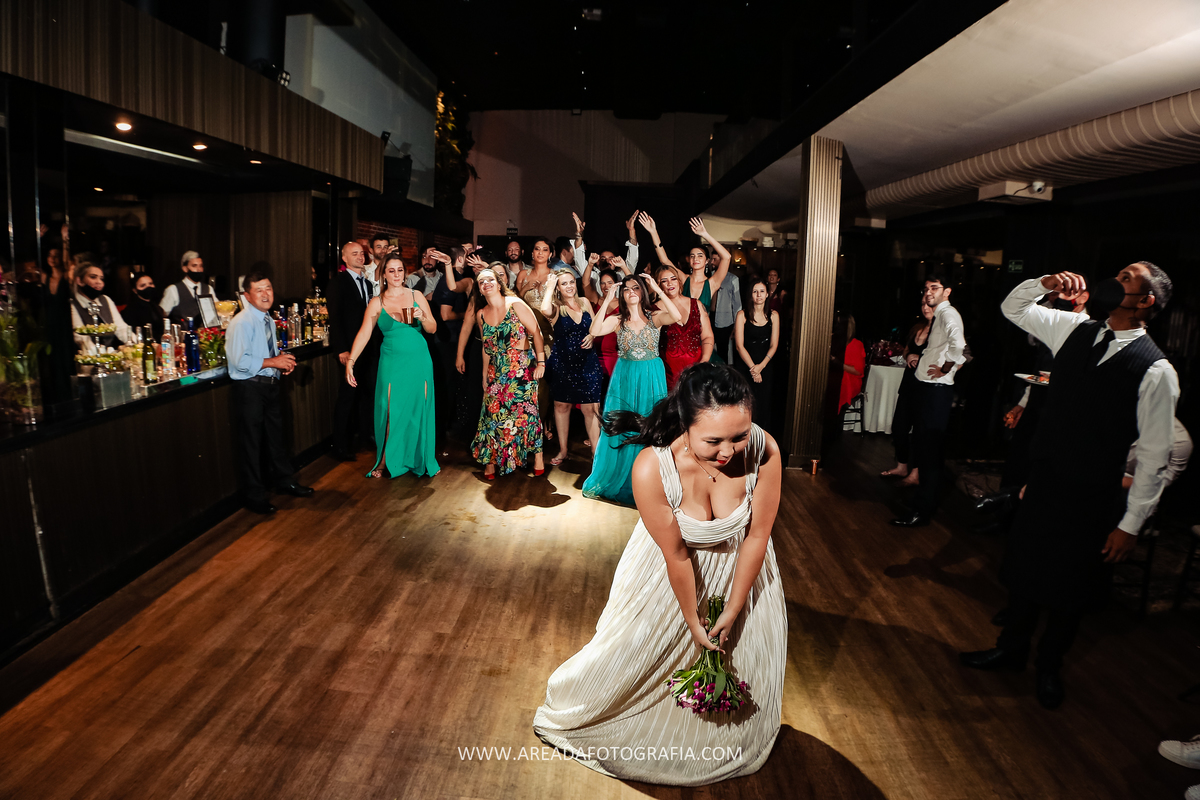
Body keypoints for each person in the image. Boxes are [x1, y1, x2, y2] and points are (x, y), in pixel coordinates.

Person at [534, 362, 786, 785]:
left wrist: (736, 604)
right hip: (670, 576)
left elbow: (758, 536)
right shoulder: (653, 468)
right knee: (631, 662)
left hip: (744, 571)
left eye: (739, 436)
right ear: (685, 426)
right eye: (713, 441)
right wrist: (693, 618)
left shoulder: (765, 451)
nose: (728, 452)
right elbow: (676, 554)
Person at [959, 262, 1179, 710]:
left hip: (1093, 494)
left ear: (1146, 301)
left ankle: (1049, 668)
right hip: (1045, 482)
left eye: (1126, 279)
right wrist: (1044, 284)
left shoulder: (1157, 370)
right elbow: (1013, 308)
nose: (1113, 282)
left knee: (1069, 588)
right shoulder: (1074, 328)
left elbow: (1155, 457)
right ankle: (1011, 648)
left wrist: (1131, 523)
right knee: (1025, 570)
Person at [582, 274, 682, 505]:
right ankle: (623, 475)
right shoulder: (617, 320)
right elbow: (595, 330)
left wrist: (657, 286)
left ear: (643, 291)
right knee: (624, 426)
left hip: (651, 376)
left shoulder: (654, 317)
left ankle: (650, 479)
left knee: (651, 423)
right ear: (622, 295)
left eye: (636, 288)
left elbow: (677, 316)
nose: (631, 292)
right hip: (625, 376)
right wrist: (607, 300)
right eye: (626, 289)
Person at [224, 272, 314, 514]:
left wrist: (282, 363)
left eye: (269, 289)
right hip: (250, 388)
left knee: (277, 439)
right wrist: (274, 362)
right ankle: (254, 497)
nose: (266, 294)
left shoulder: (268, 320)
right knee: (252, 444)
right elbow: (239, 362)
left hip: (270, 386)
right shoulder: (241, 322)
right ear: (247, 296)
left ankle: (285, 482)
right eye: (259, 290)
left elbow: (268, 355)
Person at [346, 252, 439, 479]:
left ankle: (421, 458)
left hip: (418, 360)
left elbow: (433, 329)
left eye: (400, 270)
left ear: (404, 273)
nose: (396, 274)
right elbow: (364, 333)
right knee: (390, 411)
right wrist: (351, 361)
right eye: (391, 270)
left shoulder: (417, 295)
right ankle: (385, 460)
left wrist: (423, 317)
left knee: (418, 409)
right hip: (392, 361)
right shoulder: (377, 302)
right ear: (384, 275)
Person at [891, 274, 967, 527]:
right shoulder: (940, 316)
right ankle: (920, 505)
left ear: (947, 291)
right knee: (924, 451)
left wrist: (946, 368)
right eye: (926, 289)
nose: (928, 293)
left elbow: (959, 346)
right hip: (928, 388)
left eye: (934, 288)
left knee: (930, 454)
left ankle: (922, 512)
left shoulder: (947, 314)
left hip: (936, 390)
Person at [471, 269, 547, 478]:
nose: (486, 283)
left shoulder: (515, 304)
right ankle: (491, 460)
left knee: (526, 414)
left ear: (498, 283)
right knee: (492, 416)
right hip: (497, 370)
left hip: (521, 367)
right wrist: (484, 376)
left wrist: (541, 362)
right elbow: (486, 348)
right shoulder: (481, 314)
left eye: (490, 280)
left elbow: (536, 333)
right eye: (481, 282)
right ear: (479, 289)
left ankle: (538, 456)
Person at [540, 270, 604, 465]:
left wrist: (593, 336)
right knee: (561, 406)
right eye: (563, 284)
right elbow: (544, 309)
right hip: (563, 364)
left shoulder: (584, 302)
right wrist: (549, 287)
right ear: (558, 288)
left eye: (570, 282)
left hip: (588, 363)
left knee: (590, 409)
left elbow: (596, 326)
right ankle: (563, 450)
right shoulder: (557, 307)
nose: (569, 286)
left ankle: (595, 451)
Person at [329, 241, 381, 461]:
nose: (360, 257)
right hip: (350, 350)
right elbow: (335, 318)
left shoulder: (368, 285)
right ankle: (340, 445)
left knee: (367, 395)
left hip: (368, 349)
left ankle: (364, 436)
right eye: (355, 254)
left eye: (362, 254)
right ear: (344, 258)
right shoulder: (338, 283)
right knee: (347, 397)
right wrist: (342, 349)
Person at [640, 213, 732, 321]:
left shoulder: (712, 284)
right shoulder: (684, 279)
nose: (695, 258)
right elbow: (664, 260)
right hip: (680, 328)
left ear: (707, 260)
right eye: (692, 256)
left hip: (701, 332)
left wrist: (705, 234)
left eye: (700, 255)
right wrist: (653, 232)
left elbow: (727, 257)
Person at [882, 300, 934, 484]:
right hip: (908, 383)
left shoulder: (940, 331)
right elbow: (906, 350)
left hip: (925, 386)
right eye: (923, 305)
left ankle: (916, 472)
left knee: (920, 431)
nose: (926, 308)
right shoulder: (916, 329)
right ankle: (902, 465)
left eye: (930, 305)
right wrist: (908, 355)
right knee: (899, 426)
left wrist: (921, 357)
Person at [515, 237, 558, 436]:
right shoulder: (524, 274)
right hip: (525, 336)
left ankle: (540, 427)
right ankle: (526, 427)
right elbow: (514, 302)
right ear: (532, 253)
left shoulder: (555, 275)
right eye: (537, 249)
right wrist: (525, 289)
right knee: (525, 383)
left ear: (551, 254)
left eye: (545, 249)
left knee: (544, 385)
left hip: (549, 337)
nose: (540, 252)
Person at [656, 265, 714, 391]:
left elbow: (707, 336)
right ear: (658, 285)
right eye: (664, 281)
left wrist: (704, 361)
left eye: (673, 279)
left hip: (696, 368)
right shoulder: (655, 309)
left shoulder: (696, 304)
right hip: (668, 372)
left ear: (679, 281)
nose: (670, 283)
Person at [733, 278, 779, 433]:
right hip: (746, 366)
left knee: (763, 405)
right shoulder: (742, 315)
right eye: (755, 291)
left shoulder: (774, 316)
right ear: (750, 295)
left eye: (762, 291)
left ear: (767, 295)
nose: (758, 295)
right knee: (745, 404)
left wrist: (760, 367)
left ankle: (761, 443)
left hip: (765, 366)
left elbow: (774, 346)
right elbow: (739, 346)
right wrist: (753, 368)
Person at [571, 210, 640, 293]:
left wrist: (631, 230)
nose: (607, 261)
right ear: (598, 262)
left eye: (611, 258)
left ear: (616, 261)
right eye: (603, 259)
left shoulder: (622, 276)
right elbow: (579, 258)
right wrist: (579, 233)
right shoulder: (594, 277)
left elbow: (633, 256)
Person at [70, 263, 133, 352]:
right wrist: (99, 355)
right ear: (79, 281)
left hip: (110, 355)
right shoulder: (73, 304)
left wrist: (136, 344)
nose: (99, 282)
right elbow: (81, 338)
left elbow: (121, 328)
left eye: (101, 279)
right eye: (93, 277)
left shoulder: (105, 300)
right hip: (88, 357)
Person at [159, 250, 213, 326]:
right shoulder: (173, 289)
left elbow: (216, 312)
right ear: (185, 268)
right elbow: (162, 314)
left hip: (205, 334)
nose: (199, 269)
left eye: (200, 266)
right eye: (194, 266)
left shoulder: (209, 289)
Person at [711, 266, 742, 364]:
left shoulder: (732, 279)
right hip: (708, 316)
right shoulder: (709, 276)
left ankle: (723, 375)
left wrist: (736, 325)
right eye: (712, 259)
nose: (712, 262)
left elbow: (737, 303)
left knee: (722, 350)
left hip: (725, 319)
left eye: (715, 259)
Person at [122, 272, 164, 340]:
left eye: (150, 283)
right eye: (143, 285)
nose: (148, 287)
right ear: (135, 290)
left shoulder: (156, 307)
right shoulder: (131, 310)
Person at [838, 314, 866, 412]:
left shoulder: (856, 344)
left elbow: (858, 371)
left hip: (850, 381)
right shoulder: (836, 342)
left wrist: (837, 364)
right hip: (839, 377)